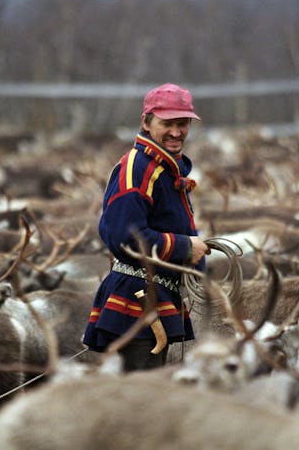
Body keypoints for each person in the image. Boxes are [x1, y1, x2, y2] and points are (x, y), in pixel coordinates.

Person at [82, 82, 210, 371]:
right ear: (147, 122)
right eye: (167, 123)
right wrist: (185, 247)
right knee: (143, 398)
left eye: (183, 123)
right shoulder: (138, 168)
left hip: (155, 296)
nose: (176, 132)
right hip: (137, 304)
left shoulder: (164, 168)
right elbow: (124, 237)